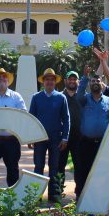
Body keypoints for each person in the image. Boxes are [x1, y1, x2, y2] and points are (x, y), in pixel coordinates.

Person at [29, 68, 70, 202]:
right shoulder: (36, 97)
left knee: (54, 167)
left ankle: (54, 196)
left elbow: (66, 118)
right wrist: (30, 137)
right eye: (47, 79)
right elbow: (31, 118)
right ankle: (37, 196)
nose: (49, 82)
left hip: (56, 138)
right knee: (38, 166)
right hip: (39, 138)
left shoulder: (61, 97)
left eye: (52, 79)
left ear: (55, 82)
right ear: (43, 82)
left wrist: (65, 137)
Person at [74, 74, 109, 199]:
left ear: (102, 82)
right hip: (86, 143)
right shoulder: (84, 100)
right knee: (83, 171)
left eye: (98, 80)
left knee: (102, 172)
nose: (95, 82)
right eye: (92, 81)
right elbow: (78, 95)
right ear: (89, 84)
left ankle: (101, 198)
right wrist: (85, 79)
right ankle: (81, 198)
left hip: (103, 144)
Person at [61, 70, 84, 199]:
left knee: (79, 167)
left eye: (74, 79)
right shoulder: (60, 97)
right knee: (60, 166)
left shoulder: (82, 97)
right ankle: (57, 193)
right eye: (70, 79)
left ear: (78, 82)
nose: (72, 81)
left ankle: (79, 193)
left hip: (79, 138)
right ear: (65, 81)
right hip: (63, 138)